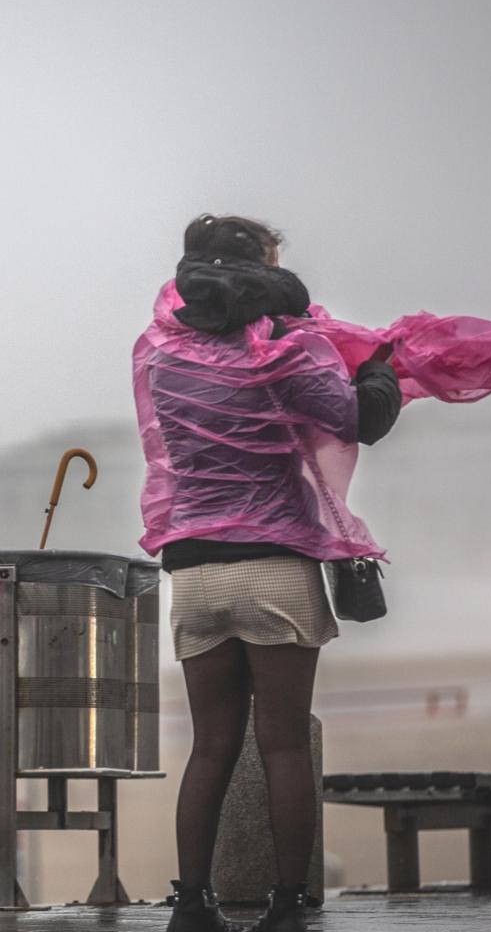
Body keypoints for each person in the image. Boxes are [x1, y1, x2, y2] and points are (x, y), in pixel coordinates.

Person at [136, 216, 401, 932]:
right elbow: (357, 418)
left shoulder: (163, 356)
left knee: (211, 745)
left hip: (192, 574)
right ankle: (287, 907)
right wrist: (378, 364)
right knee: (282, 742)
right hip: (274, 565)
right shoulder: (285, 347)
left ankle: (191, 905)